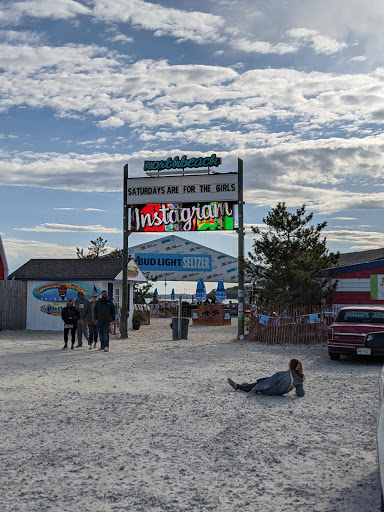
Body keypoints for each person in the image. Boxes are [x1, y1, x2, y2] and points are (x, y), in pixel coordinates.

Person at [227, 359, 305, 397]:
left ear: (290, 366)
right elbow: (301, 393)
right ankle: (246, 385)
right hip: (280, 392)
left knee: (259, 383)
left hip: (270, 391)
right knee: (258, 383)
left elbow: (269, 382)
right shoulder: (299, 379)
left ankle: (238, 386)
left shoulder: (284, 374)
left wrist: (256, 388)